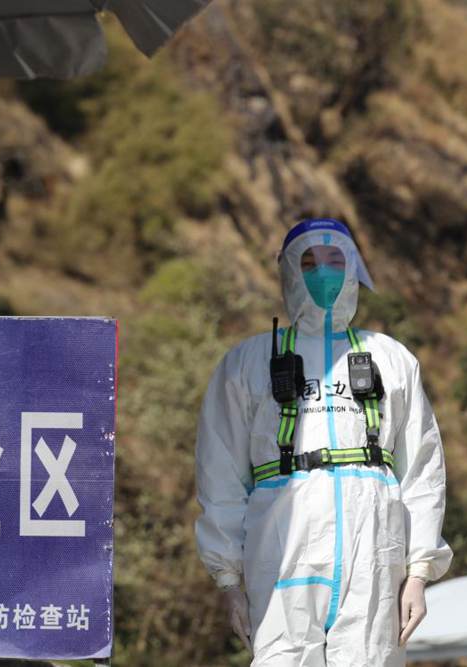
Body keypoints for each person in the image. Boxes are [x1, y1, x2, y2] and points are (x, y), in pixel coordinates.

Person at [194, 217, 453, 666]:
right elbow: (220, 473)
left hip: (374, 556)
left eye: (336, 261)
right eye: (310, 263)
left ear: (353, 269)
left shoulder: (391, 359)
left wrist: (418, 572)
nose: (324, 273)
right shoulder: (248, 363)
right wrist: (228, 579)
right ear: (288, 271)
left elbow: (422, 470)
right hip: (281, 553)